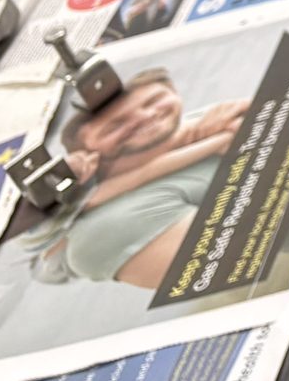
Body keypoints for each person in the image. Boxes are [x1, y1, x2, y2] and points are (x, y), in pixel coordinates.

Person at [31, 72, 249, 291]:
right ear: (94, 157)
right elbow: (139, 176)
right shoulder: (97, 214)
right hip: (57, 247)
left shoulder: (203, 120)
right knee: (53, 262)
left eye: (153, 101)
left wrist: (206, 134)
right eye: (115, 126)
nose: (145, 117)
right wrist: (219, 140)